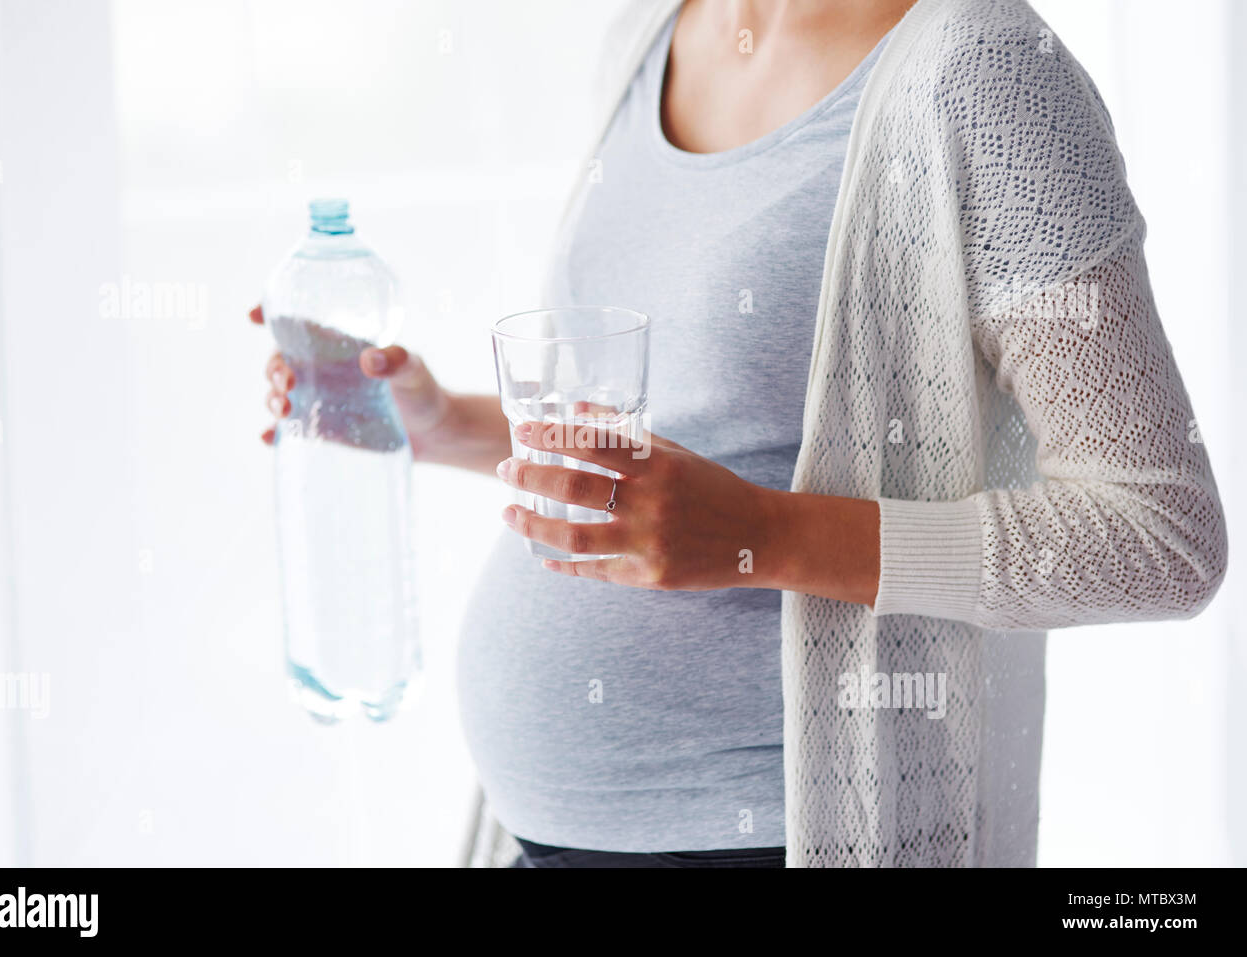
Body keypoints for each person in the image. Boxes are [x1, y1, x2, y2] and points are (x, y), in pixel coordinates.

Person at [250, 0, 1228, 867]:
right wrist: (443, 426)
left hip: (773, 839)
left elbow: (1159, 538)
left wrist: (766, 532)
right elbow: (686, 430)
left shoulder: (987, 72)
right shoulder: (649, 36)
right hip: (539, 835)